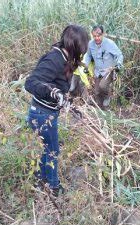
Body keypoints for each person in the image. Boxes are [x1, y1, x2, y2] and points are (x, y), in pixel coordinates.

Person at [25, 25, 89, 196]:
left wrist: (68, 104)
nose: (82, 53)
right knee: (53, 151)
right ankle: (53, 187)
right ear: (75, 46)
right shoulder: (54, 59)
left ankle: (41, 182)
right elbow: (31, 83)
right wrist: (53, 93)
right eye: (82, 49)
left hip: (44, 113)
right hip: (41, 114)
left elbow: (58, 87)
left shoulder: (64, 58)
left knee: (46, 149)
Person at [83, 25, 124, 110]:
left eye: (99, 36)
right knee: (97, 92)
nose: (97, 38)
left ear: (103, 34)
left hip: (108, 71)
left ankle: (107, 98)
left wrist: (118, 65)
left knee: (103, 86)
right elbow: (88, 56)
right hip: (98, 71)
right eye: (94, 36)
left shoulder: (110, 43)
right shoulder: (91, 44)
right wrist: (85, 64)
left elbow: (119, 55)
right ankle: (100, 109)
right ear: (92, 35)